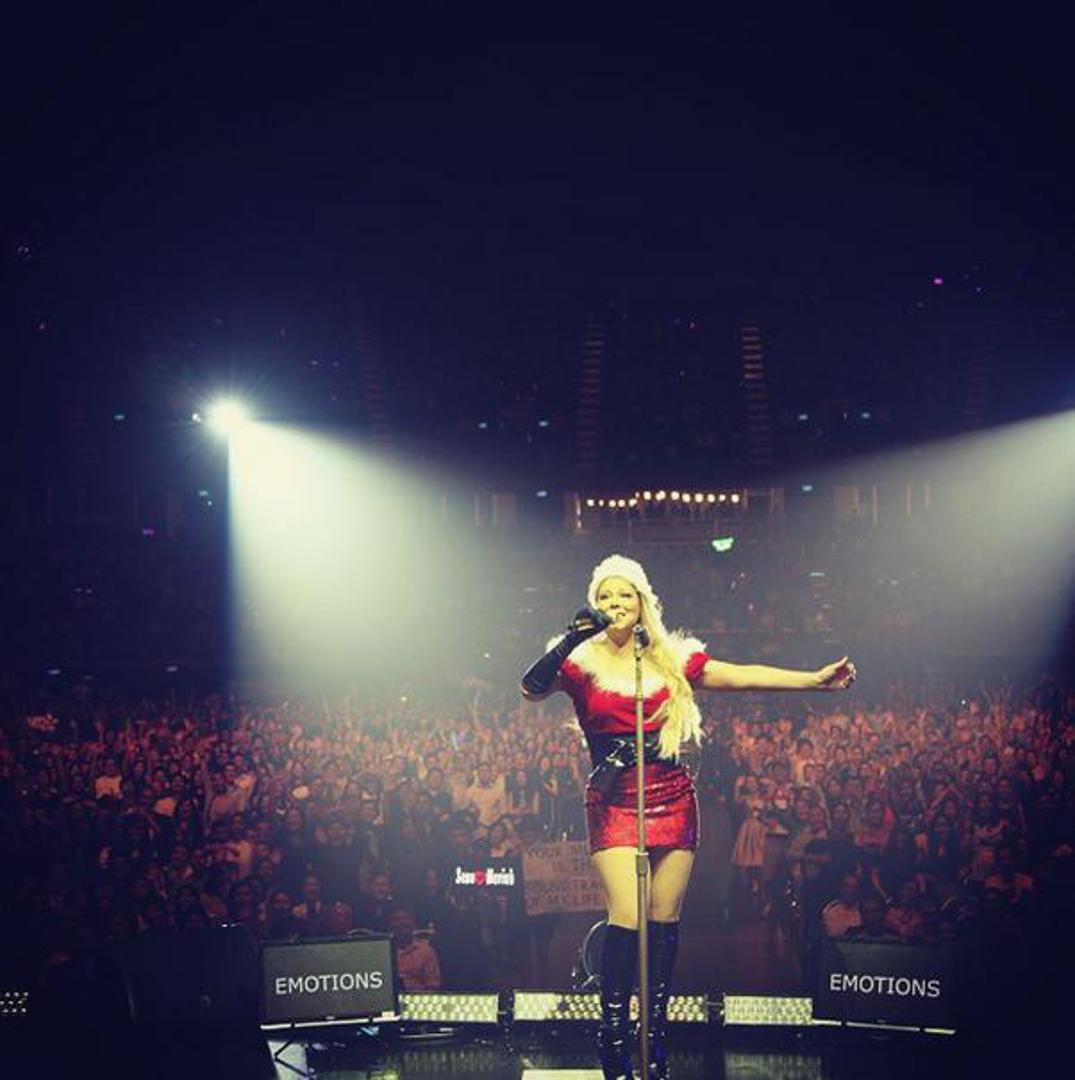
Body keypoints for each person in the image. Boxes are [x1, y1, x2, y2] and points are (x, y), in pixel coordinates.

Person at [520, 553, 856, 1080]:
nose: (615, 603)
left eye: (624, 594)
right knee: (626, 916)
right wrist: (568, 639)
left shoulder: (670, 658)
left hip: (671, 794)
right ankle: (613, 1035)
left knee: (663, 921)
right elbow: (531, 687)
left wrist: (813, 680)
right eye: (605, 596)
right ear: (594, 603)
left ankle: (653, 1036)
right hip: (613, 799)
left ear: (642, 602)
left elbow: (740, 676)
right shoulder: (579, 660)